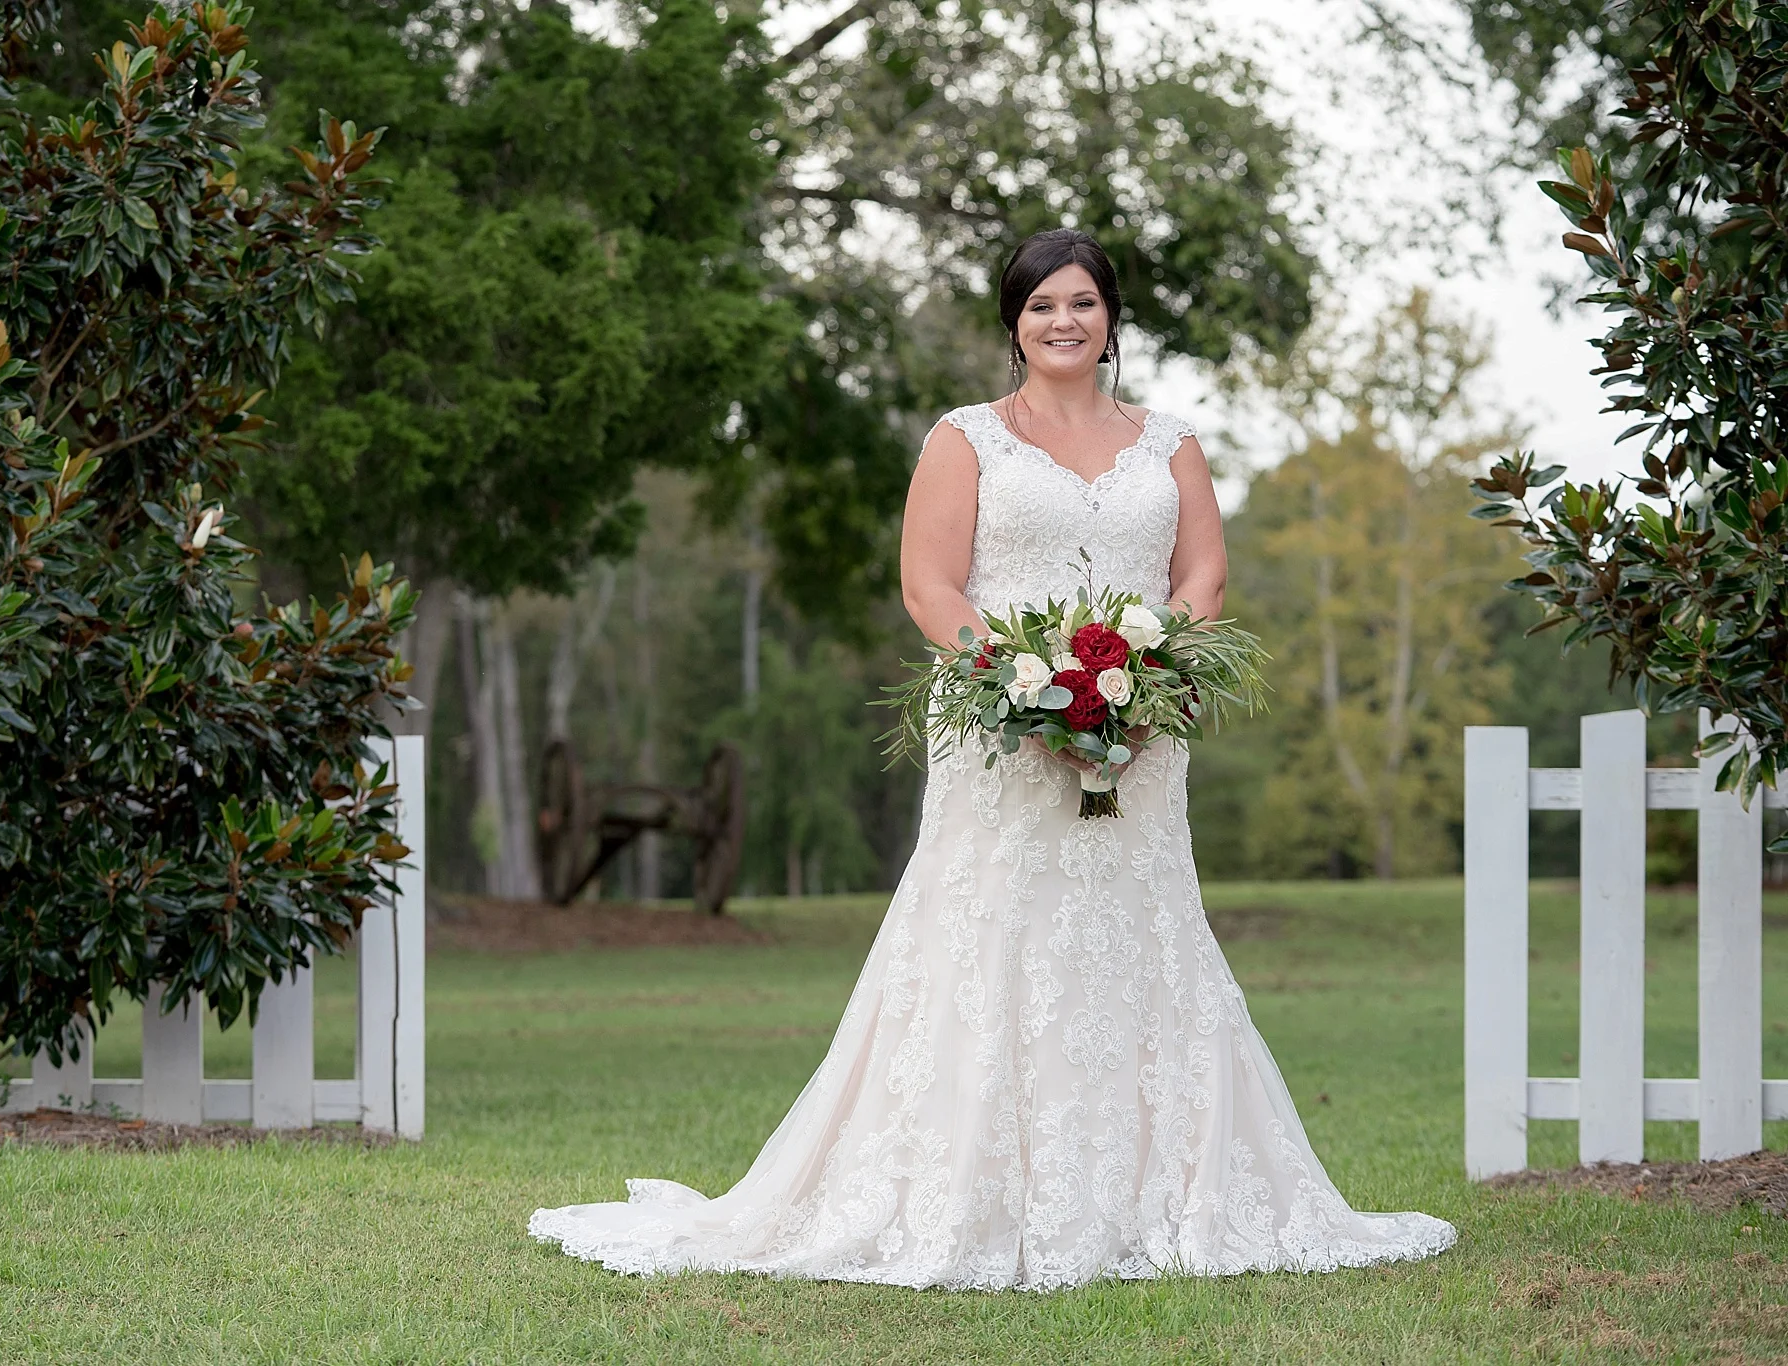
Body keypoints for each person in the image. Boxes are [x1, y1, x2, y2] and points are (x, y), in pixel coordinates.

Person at [529, 228, 1456, 1289]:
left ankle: (1150, 1192)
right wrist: (1028, 689)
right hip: (997, 730)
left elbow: (1201, 574)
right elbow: (929, 585)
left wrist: (1148, 678)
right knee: (997, 931)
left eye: (1082, 302)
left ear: (1111, 318)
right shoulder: (965, 439)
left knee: (1135, 931)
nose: (1063, 321)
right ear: (1013, 324)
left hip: (1143, 730)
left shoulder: (1171, 443)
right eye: (1040, 305)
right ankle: (974, 1191)